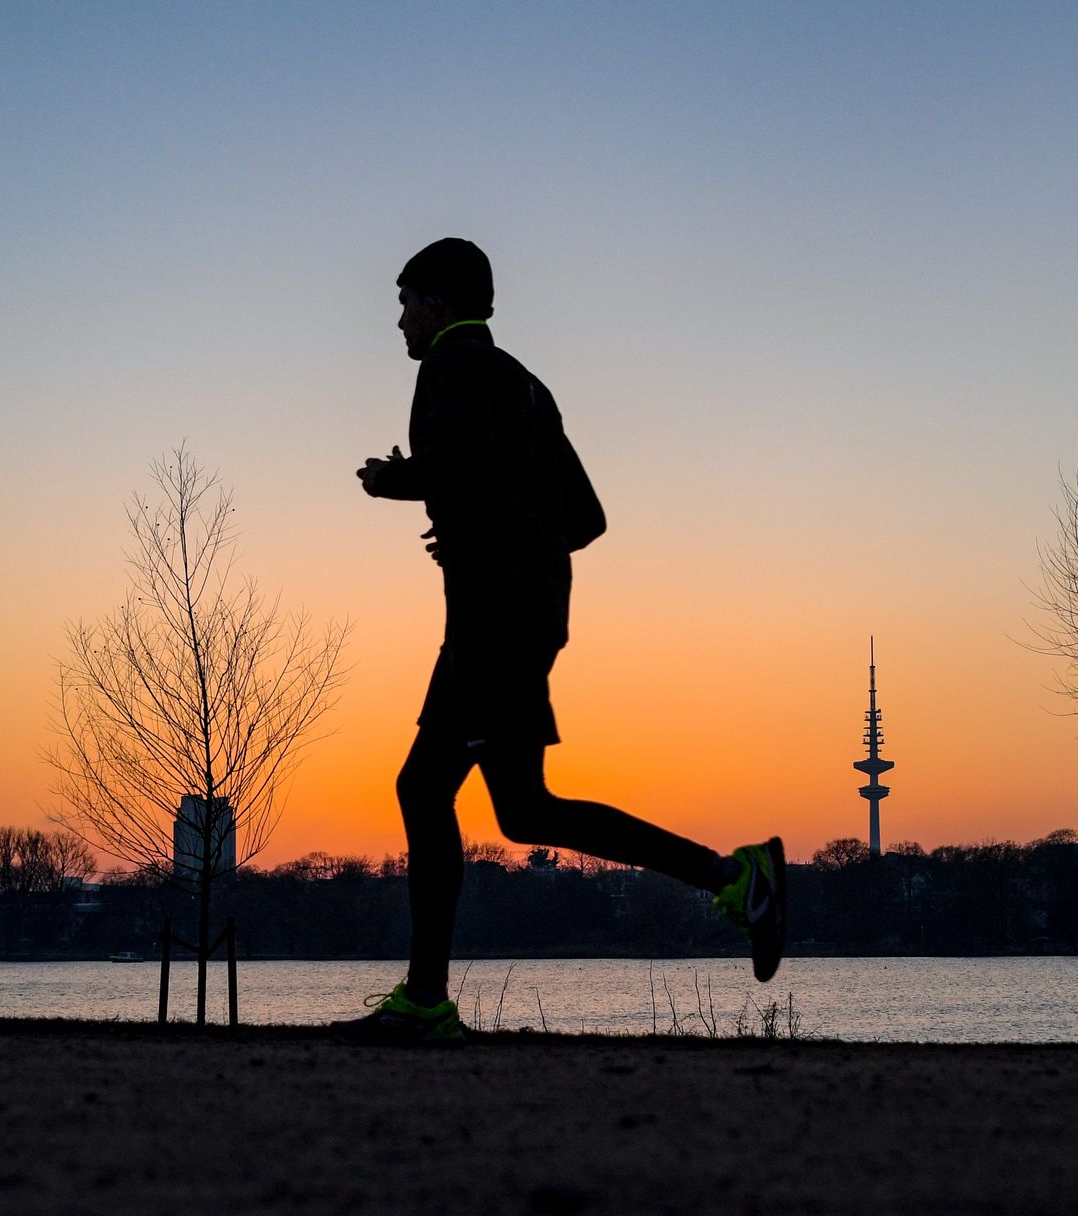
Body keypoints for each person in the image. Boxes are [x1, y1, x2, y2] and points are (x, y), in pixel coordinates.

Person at [331, 238, 786, 1045]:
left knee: (423, 789)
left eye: (405, 303)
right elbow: (583, 518)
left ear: (438, 305)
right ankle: (733, 875)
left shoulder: (446, 369)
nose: (398, 321)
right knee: (525, 807)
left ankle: (427, 999)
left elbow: (460, 474)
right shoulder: (528, 387)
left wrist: (396, 482)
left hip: (490, 627)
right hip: (529, 621)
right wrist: (480, 531)